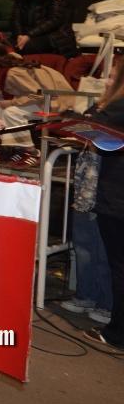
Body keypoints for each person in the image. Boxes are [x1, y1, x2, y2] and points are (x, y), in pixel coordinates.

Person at [85, 59, 124, 350]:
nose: (107, 80)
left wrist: (103, 101)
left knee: (119, 265)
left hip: (117, 197)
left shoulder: (116, 107)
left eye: (111, 76)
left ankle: (117, 332)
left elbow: (93, 128)